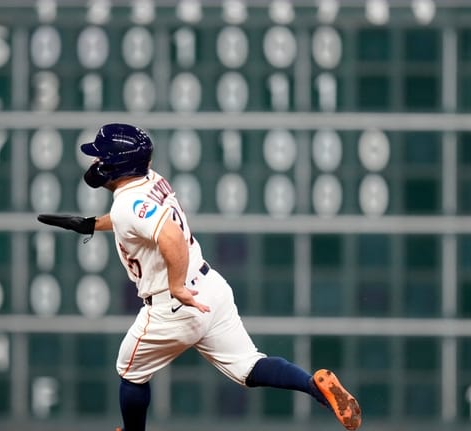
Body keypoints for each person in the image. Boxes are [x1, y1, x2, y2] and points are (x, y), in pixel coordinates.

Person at [37, 123, 362, 431]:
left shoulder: (127, 203)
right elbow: (137, 221)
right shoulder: (151, 180)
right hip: (210, 289)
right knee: (248, 366)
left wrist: (176, 286)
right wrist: (92, 224)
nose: (96, 160)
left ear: (115, 164)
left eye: (100, 154)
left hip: (174, 304)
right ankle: (314, 385)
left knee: (130, 372)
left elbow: (170, 237)